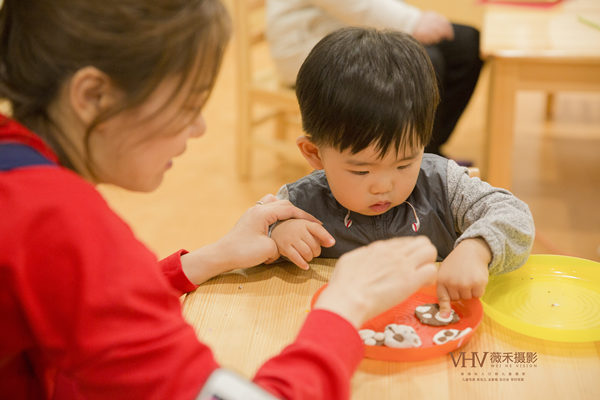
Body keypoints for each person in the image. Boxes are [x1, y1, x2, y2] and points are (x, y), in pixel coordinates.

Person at [0, 1, 441, 399]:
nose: (199, 129)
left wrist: (209, 258)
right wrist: (344, 309)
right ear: (93, 96)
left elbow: (88, 313)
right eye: (188, 105)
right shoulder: (56, 222)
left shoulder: (21, 180)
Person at [268, 27, 535, 318]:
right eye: (361, 171)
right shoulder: (299, 203)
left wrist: (478, 248)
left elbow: (515, 216)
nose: (384, 186)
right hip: (339, 331)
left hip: (431, 333)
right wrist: (277, 234)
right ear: (314, 154)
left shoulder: (442, 184)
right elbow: (251, 239)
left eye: (404, 164)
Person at [266, 0, 483, 157]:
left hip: (352, 31)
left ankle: (426, 150)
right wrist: (411, 21)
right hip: (307, 48)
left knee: (467, 42)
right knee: (423, 60)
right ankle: (416, 160)